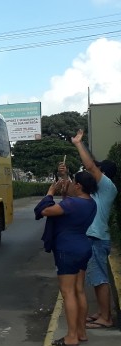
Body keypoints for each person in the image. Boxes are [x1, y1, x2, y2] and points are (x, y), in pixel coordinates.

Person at [36, 170, 98, 346]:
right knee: (79, 290)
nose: (70, 184)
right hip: (83, 247)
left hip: (67, 250)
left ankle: (71, 336)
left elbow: (46, 211)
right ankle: (81, 332)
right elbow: (69, 209)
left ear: (78, 186)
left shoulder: (72, 203)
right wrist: (65, 192)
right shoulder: (91, 203)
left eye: (73, 182)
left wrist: (50, 193)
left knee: (68, 292)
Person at [71, 129, 118, 330]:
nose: (92, 173)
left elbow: (89, 165)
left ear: (103, 173)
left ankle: (106, 318)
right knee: (97, 278)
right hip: (95, 238)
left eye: (97, 171)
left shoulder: (107, 185)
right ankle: (102, 312)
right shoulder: (100, 191)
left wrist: (78, 144)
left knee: (99, 279)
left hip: (97, 239)